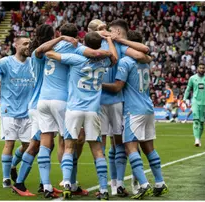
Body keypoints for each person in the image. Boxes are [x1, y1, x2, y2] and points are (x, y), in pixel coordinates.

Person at [36, 23, 112, 198]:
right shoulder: (104, 61)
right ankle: (104, 189)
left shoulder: (76, 57)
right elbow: (112, 57)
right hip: (93, 110)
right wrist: (107, 44)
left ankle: (67, 184)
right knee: (97, 149)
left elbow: (47, 53)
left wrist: (61, 41)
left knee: (68, 146)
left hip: (73, 107)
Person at [11, 24, 81, 199]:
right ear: (53, 36)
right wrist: (64, 39)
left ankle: (45, 184)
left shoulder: (37, 53)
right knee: (38, 145)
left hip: (39, 101)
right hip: (40, 103)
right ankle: (19, 183)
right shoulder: (44, 53)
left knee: (46, 144)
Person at [102, 31, 168, 199]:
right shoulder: (145, 63)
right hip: (148, 107)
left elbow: (117, 87)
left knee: (129, 147)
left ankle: (144, 184)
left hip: (133, 110)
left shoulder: (125, 61)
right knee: (149, 148)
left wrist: (98, 84)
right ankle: (160, 183)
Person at [89, 19, 151, 196]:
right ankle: (104, 185)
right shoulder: (89, 47)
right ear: (92, 32)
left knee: (119, 145)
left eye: (106, 28)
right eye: (100, 29)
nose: (104, 30)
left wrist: (148, 57)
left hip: (117, 100)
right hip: (97, 102)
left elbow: (142, 56)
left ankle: (117, 185)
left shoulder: (117, 46)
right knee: (100, 146)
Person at [0, 36, 36, 194]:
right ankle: (6, 178)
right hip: (9, 109)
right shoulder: (5, 62)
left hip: (28, 111)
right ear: (16, 45)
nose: (28, 46)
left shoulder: (33, 62)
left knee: (28, 146)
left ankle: (12, 165)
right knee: (9, 144)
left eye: (29, 44)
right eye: (25, 43)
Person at [183, 63, 205, 147]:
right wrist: (185, 99)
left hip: (204, 102)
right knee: (196, 120)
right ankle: (196, 139)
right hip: (195, 102)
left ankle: (198, 138)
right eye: (200, 68)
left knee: (201, 122)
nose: (201, 69)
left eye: (203, 68)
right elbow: (188, 89)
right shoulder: (192, 78)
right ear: (197, 68)